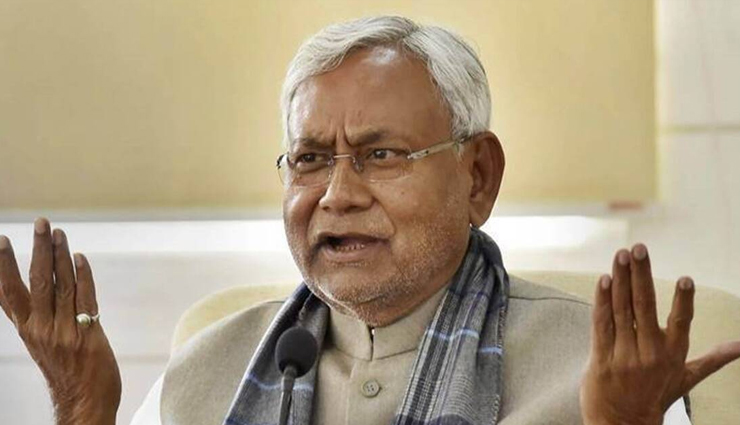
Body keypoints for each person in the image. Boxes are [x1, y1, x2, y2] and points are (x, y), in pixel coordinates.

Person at [1, 15, 739, 425]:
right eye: (310, 158)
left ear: (478, 176)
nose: (337, 194)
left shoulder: (602, 369)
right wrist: (82, 411)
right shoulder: (204, 371)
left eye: (380, 155)